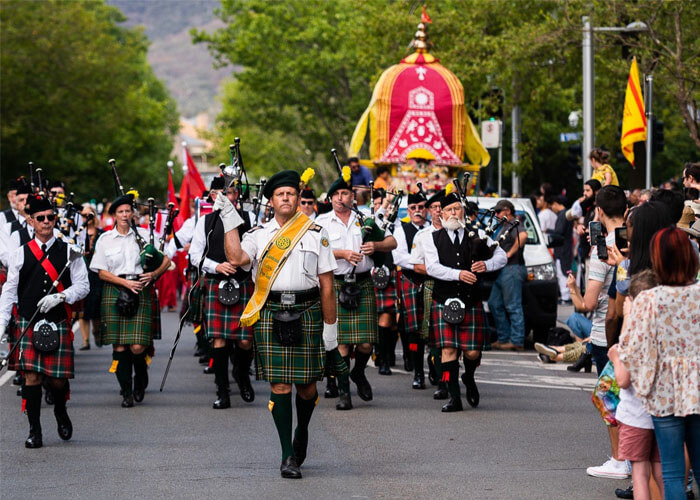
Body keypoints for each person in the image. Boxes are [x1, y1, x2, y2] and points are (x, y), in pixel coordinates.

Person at [219, 169, 339, 479]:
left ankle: (302, 431)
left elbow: (327, 285)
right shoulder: (258, 234)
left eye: (290, 193)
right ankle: (288, 453)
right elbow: (236, 259)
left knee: (308, 387)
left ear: (298, 198)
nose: (285, 198)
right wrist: (229, 218)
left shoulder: (316, 232)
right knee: (280, 385)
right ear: (271, 201)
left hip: (309, 310)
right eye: (279, 194)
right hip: (271, 311)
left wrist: (331, 332)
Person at [0, 194, 89, 448]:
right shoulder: (19, 255)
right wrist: (1, 321)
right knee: (32, 378)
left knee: (57, 380)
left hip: (58, 320)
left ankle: (60, 411)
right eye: (41, 218)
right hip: (28, 321)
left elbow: (84, 286)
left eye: (51, 217)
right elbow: (9, 292)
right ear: (31, 221)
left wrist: (62, 295)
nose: (47, 222)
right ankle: (34, 430)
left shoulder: (70, 251)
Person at [618, 227, 700, 499]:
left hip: (664, 393)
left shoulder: (649, 300)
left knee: (673, 474)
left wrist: (644, 384)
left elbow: (633, 351)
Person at [315, 173, 397, 408]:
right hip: (336, 283)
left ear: (353, 197)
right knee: (341, 344)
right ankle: (344, 394)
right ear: (330, 199)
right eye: (337, 194)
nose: (341, 198)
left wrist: (376, 245)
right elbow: (313, 252)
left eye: (346, 194)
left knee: (365, 343)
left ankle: (358, 373)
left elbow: (392, 242)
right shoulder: (322, 222)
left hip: (362, 283)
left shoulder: (366, 219)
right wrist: (341, 253)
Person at [422, 192, 506, 411]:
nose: (453, 213)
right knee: (448, 350)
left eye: (457, 209)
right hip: (444, 300)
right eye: (449, 209)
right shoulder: (431, 237)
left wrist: (486, 266)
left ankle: (468, 377)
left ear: (463, 212)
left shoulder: (477, 234)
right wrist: (457, 274)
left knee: (472, 352)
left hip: (471, 302)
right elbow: (432, 267)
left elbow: (502, 256)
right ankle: (454, 397)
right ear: (442, 213)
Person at [90, 193, 170, 407]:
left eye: (128, 211)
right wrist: (125, 283)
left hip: (141, 289)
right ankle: (126, 391)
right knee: (119, 347)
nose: (125, 215)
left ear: (133, 213)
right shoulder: (105, 239)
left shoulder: (145, 236)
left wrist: (153, 275)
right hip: (116, 289)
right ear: (114, 215)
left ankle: (140, 378)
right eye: (121, 212)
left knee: (137, 346)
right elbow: (101, 272)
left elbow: (166, 260)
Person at [189, 176, 255, 408]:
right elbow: (195, 255)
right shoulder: (205, 222)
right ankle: (222, 390)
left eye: (230, 192)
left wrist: (241, 262)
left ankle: (241, 374)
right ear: (211, 196)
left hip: (243, 282)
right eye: (220, 193)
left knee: (246, 341)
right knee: (219, 341)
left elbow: (257, 251)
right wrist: (216, 266)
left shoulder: (250, 218)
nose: (226, 197)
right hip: (217, 284)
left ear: (237, 195)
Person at [608, 269, 664, 500]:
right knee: (662, 472)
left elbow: (623, 379)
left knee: (640, 473)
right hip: (662, 413)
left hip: (635, 416)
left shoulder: (634, 333)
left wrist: (615, 356)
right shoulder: (665, 329)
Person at [392, 191, 430, 388]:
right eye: (413, 208)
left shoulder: (433, 229)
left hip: (432, 281)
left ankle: (435, 368)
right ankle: (418, 372)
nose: (418, 211)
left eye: (421, 207)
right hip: (411, 280)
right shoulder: (402, 230)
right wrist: (420, 265)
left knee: (431, 330)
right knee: (414, 331)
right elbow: (398, 257)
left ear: (427, 209)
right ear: (408, 210)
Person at [411, 190, 446, 398]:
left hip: (454, 286)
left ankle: (445, 378)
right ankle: (423, 371)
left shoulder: (456, 232)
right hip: (432, 286)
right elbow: (416, 266)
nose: (438, 211)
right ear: (429, 211)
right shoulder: (422, 235)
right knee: (428, 333)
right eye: (434, 207)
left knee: (447, 337)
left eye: (442, 207)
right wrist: (441, 270)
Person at [488, 200, 529, 351]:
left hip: (512, 268)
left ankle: (517, 340)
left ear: (507, 211)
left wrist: (510, 253)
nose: (496, 215)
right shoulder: (504, 226)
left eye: (498, 212)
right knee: (494, 303)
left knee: (513, 306)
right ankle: (504, 338)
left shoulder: (515, 223)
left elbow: (523, 236)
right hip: (503, 271)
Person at [77, 203, 104, 350]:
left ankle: (96, 331)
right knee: (83, 311)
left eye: (90, 215)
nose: (87, 218)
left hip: (96, 275)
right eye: (83, 215)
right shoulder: (76, 234)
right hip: (80, 274)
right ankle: (85, 340)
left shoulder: (101, 234)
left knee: (96, 309)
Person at [547, 195, 574, 303]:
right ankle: (566, 296)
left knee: (562, 273)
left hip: (562, 248)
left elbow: (559, 232)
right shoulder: (567, 214)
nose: (552, 209)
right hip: (566, 248)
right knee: (565, 271)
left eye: (552, 206)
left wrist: (548, 230)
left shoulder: (562, 215)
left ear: (556, 203)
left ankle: (565, 297)